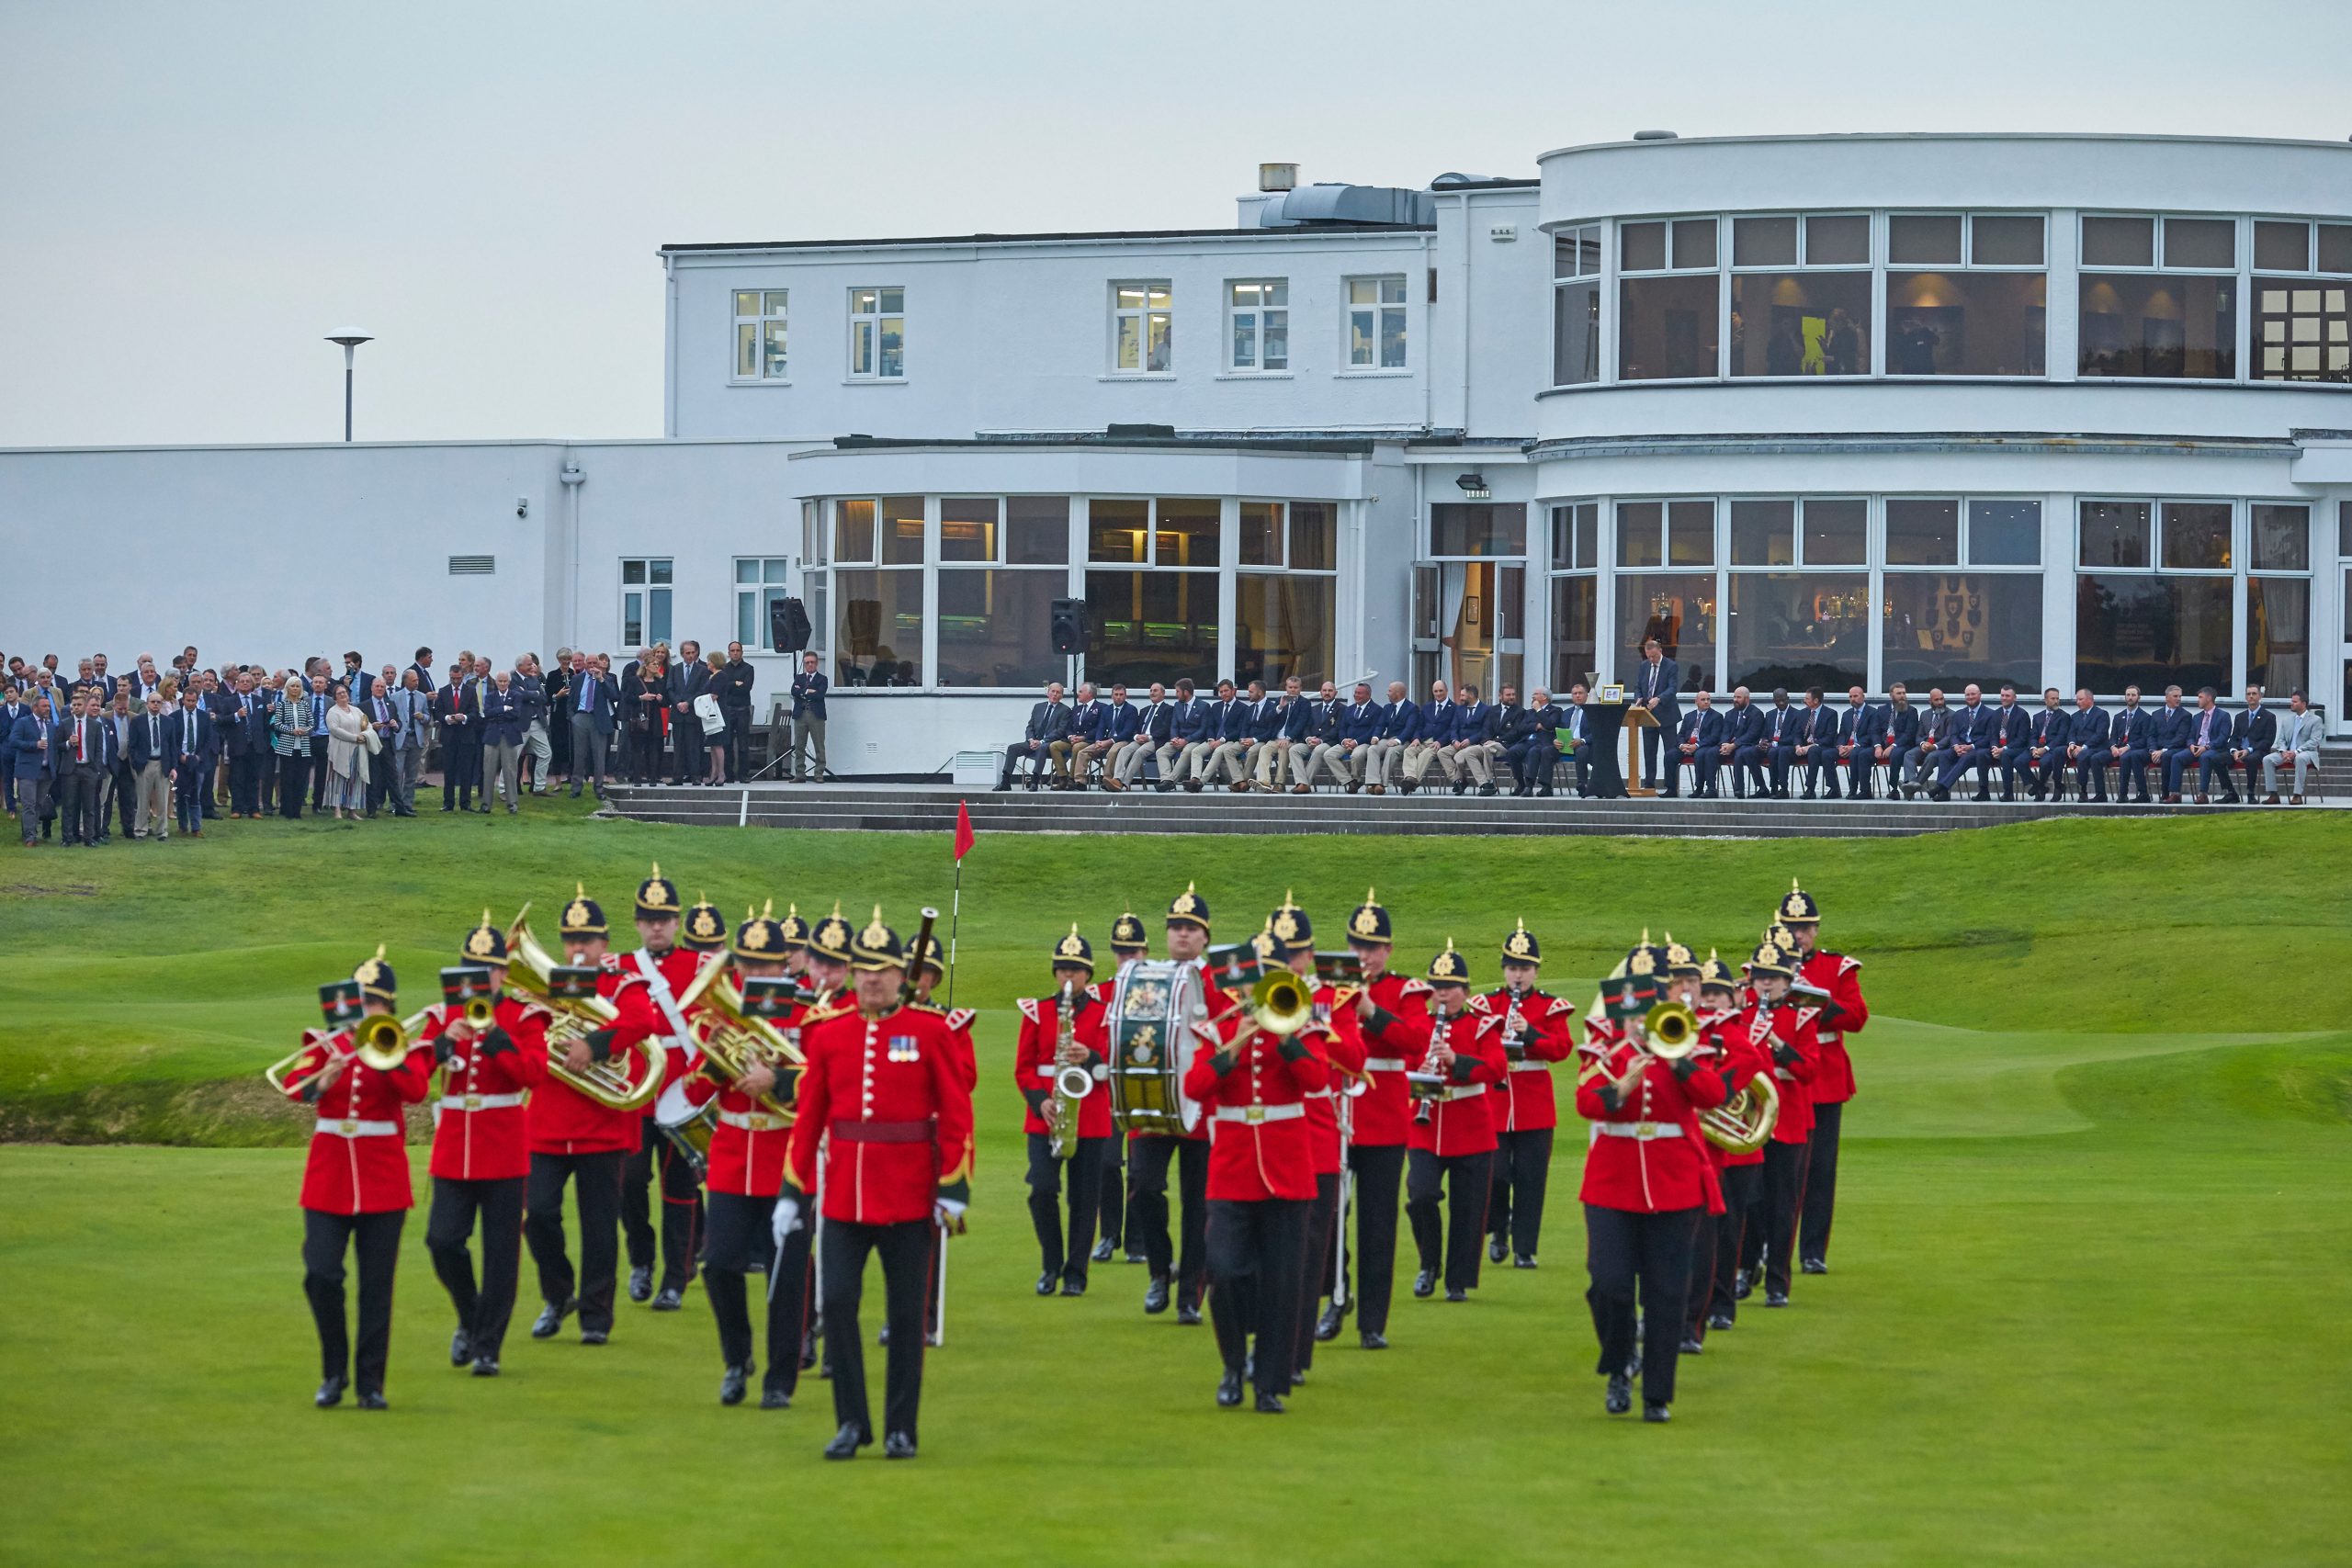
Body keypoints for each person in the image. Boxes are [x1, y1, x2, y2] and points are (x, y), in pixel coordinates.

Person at [778, 908, 974, 1460]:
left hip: (909, 1196)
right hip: (844, 1196)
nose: (870, 978)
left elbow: (956, 1114)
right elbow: (809, 1117)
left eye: (882, 969)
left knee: (907, 1315)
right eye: (861, 968)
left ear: (899, 974)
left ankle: (900, 1427)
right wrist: (794, 1191)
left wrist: (954, 1183)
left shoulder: (931, 1032)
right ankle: (851, 1422)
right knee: (836, 1304)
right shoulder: (828, 1034)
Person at [1576, 938, 1725, 1423]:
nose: (1642, 1014)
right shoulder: (1605, 1049)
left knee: (1666, 1291)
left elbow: (1712, 1093)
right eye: (1634, 1004)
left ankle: (1657, 1394)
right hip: (1612, 1181)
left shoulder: (1688, 1041)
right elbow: (1584, 1101)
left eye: (1650, 1002)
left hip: (1673, 1181)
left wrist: (1675, 1056)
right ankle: (1619, 1367)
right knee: (1609, 1284)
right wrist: (1621, 1086)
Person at [1183, 922, 1330, 1413]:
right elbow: (1196, 1086)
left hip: (1287, 1169)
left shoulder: (1302, 1023)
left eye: (1269, 976)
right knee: (1223, 1271)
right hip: (1232, 1168)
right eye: (1254, 978)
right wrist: (1236, 1046)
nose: (1259, 987)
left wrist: (1285, 1036)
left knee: (1284, 1281)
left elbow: (1315, 1080)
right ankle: (1231, 1363)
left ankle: (1268, 1383)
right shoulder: (1220, 1026)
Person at [282, 953, 435, 1408]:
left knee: (376, 1286)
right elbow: (293, 1086)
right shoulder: (323, 1044)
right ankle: (333, 1373)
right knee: (321, 1274)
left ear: (389, 1008)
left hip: (381, 1178)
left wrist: (386, 1054)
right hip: (328, 1178)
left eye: (376, 1004)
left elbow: (416, 1092)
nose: (366, 1011)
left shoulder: (402, 1048)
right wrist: (320, 1080)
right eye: (361, 1001)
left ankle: (371, 1384)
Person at [686, 905, 818, 1408]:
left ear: (784, 964)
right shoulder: (720, 1015)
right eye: (748, 965)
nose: (757, 974)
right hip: (732, 1156)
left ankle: (780, 1380)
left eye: (766, 964)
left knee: (786, 1277)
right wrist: (717, 1062)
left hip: (786, 1157)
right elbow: (694, 1084)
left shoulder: (807, 1014)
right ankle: (736, 1359)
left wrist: (777, 1079)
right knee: (718, 1265)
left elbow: (825, 1084)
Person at [525, 886, 662, 1346]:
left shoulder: (621, 982)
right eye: (570, 939)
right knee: (539, 1215)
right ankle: (558, 1294)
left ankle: (596, 1317)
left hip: (602, 1125)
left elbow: (643, 1022)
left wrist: (595, 1045)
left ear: (605, 942)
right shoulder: (547, 987)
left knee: (600, 1227)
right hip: (547, 1123)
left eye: (587, 939)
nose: (578, 948)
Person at [422, 919, 551, 1378]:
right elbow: (413, 1080)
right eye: (470, 968)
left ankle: (488, 1346)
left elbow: (533, 1074)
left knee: (501, 1254)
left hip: (503, 1146)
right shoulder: (443, 1015)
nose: (479, 977)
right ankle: (470, 1316)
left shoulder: (524, 1016)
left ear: (503, 974)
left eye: (488, 970)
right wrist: (441, 1044)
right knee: (442, 1240)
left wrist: (497, 1039)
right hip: (455, 1144)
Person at [1327, 888, 1426, 1349]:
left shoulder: (1404, 990)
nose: (1363, 955)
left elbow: (1415, 1042)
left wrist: (1371, 1011)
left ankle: (1372, 1320)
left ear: (1387, 950)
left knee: (1377, 1224)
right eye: (1357, 945)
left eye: (1372, 947)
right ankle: (1334, 1297)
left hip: (1384, 1120)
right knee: (1328, 1218)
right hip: (1338, 1117)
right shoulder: (1328, 989)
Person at [617, 866, 707, 1311]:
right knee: (629, 1182)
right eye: (649, 918)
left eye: (665, 918)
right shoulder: (619, 967)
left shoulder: (701, 966)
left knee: (680, 1189)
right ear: (638, 923)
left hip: (682, 1093)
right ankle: (641, 1260)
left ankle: (675, 1276)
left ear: (676, 922)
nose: (657, 925)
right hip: (635, 1092)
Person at [1127, 886, 1215, 1324]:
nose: (1181, 935)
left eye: (1190, 928)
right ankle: (1160, 1271)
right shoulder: (1146, 975)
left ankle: (1189, 1293)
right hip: (1153, 1103)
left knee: (1198, 1203)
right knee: (1143, 1185)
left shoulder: (1218, 979)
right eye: (1176, 928)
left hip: (1201, 1105)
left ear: (1204, 937)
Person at [1403, 942, 1506, 1303]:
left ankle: (1458, 1280)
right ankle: (1429, 1264)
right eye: (1436, 987)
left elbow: (1496, 1068)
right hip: (1425, 1126)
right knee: (1421, 1194)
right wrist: (1421, 1071)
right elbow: (1401, 1068)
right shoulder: (1419, 1026)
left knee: (1469, 1208)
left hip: (1470, 1126)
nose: (1441, 994)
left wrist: (1455, 1060)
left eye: (1449, 987)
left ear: (1465, 991)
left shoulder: (1482, 1026)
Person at [1775, 881, 1867, 1274]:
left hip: (1825, 1076)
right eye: (1792, 928)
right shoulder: (1763, 967)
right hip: (1782, 1077)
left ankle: (1812, 1251)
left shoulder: (1835, 966)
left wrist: (1817, 1003)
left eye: (1806, 928)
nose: (1799, 936)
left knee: (1820, 1170)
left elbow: (1857, 1016)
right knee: (1777, 1174)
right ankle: (1768, 1250)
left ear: (1816, 929)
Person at [1014, 929, 1113, 1296]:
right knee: (1041, 1189)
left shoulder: (1104, 1015)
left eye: (1076, 969)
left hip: (1088, 1116)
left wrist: (1092, 1058)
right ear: (1055, 973)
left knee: (1084, 1199)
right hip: (1046, 1114)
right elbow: (1023, 1068)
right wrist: (1040, 1101)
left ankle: (1076, 1273)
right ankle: (1050, 1264)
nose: (1069, 976)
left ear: (1088, 974)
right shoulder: (1037, 1011)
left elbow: (1113, 1067)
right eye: (1063, 969)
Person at [1484, 921, 1575, 1269]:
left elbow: (1561, 1048)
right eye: (1512, 968)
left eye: (1524, 969)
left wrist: (1530, 1032)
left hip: (1533, 1105)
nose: (1517, 976)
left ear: (1536, 971)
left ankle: (1524, 1248)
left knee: (1530, 1178)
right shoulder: (1487, 1003)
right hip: (1495, 1101)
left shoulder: (1550, 1007)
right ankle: (1497, 1228)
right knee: (1495, 1174)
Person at [1737, 933, 1820, 1307]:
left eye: (1772, 976)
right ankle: (1745, 1268)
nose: (1765, 983)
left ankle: (1777, 1283)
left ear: (1788, 980)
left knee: (1782, 1205)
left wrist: (1777, 1046)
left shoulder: (1801, 1014)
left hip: (1788, 1119)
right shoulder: (1741, 1013)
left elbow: (1809, 1070)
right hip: (1750, 1120)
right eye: (1759, 976)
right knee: (1749, 1201)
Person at [1690, 951, 1767, 1345]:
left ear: (1733, 997)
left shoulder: (1731, 1029)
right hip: (1695, 1145)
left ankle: (1721, 1306)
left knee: (1728, 1230)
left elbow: (1750, 1060)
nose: (1712, 1000)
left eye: (1719, 994)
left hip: (1734, 1149)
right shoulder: (1689, 1026)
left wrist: (1719, 1090)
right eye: (1707, 993)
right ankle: (1696, 1307)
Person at [1088, 912, 1150, 1260]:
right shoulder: (1101, 993)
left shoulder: (1155, 990)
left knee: (1141, 1168)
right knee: (1107, 1163)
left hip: (1144, 1089)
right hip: (1109, 1089)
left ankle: (1138, 1241)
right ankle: (1109, 1234)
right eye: (1121, 952)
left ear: (1144, 952)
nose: (1127, 958)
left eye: (1133, 951)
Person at [59, 689, 117, 845]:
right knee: (69, 806)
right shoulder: (65, 724)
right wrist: (67, 743)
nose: (76, 707)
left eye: (79, 704)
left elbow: (98, 749)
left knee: (90, 806)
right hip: (71, 769)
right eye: (74, 705)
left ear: (85, 706)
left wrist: (96, 768)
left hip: (88, 768)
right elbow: (56, 746)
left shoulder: (94, 725)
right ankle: (67, 838)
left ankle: (89, 838)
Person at [996, 680, 1070, 791]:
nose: (1055, 694)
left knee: (1041, 748)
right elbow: (1030, 726)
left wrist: (1041, 741)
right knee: (1012, 748)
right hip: (1032, 742)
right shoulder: (1038, 707)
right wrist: (1031, 739)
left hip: (1049, 744)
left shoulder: (1065, 710)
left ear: (1062, 696)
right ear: (1048, 693)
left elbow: (1060, 731)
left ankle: (1034, 781)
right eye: (1053, 691)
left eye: (1058, 692)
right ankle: (1006, 781)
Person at [1632, 637, 1681, 795]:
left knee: (1670, 752)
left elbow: (1672, 688)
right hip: (1647, 715)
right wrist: (1638, 698)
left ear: (1660, 651)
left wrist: (1659, 699)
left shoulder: (1671, 666)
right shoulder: (1644, 666)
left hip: (1666, 715)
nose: (1651, 660)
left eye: (1654, 656)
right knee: (1649, 751)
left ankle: (1671, 786)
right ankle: (1649, 783)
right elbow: (1638, 686)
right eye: (1649, 657)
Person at [567, 651, 617, 798]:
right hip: (581, 718)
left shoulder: (607, 679)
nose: (592, 666)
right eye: (589, 663)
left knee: (599, 756)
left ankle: (599, 788)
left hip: (599, 720)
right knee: (579, 755)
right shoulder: (577, 679)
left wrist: (601, 679)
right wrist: (573, 718)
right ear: (585, 665)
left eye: (595, 663)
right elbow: (571, 701)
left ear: (599, 664)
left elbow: (614, 696)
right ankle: (576, 788)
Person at [127, 690, 175, 839]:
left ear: (162, 704)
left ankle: (162, 831)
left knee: (162, 801)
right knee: (142, 801)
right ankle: (140, 830)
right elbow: (132, 746)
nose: (155, 705)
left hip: (162, 764)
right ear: (147, 703)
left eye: (158, 702)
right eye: (153, 702)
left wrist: (173, 767)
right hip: (145, 764)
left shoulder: (169, 722)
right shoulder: (137, 721)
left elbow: (172, 746)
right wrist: (136, 763)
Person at [435, 664, 481, 813]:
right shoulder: (443, 691)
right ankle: (448, 803)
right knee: (449, 771)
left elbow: (475, 712)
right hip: (449, 737)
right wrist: (448, 718)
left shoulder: (470, 691)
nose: (455, 681)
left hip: (466, 736)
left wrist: (465, 717)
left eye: (458, 678)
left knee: (466, 771)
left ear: (463, 676)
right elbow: (438, 713)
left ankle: (465, 803)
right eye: (453, 678)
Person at [1110, 682, 1174, 791]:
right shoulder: (1144, 710)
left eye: (1155, 690)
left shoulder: (1168, 709)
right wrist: (1136, 736)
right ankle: (1117, 779)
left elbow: (1165, 729)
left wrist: (1149, 737)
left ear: (1163, 694)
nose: (1152, 693)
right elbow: (1135, 727)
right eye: (1151, 691)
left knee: (1139, 752)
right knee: (1124, 750)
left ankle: (1125, 783)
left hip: (1155, 740)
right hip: (1139, 739)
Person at [2264, 691, 2323, 804]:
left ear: (2304, 704)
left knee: (2300, 758)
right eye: (2292, 701)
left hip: (2307, 753)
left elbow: (2314, 741)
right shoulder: (2287, 720)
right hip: (2287, 753)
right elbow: (2281, 740)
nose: (2291, 703)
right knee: (2267, 759)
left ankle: (2297, 795)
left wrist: (2296, 752)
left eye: (2294, 701)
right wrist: (2283, 751)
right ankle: (2273, 794)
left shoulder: (2315, 720)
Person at [665, 639, 711, 785]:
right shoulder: (675, 669)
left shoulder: (702, 670)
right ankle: (677, 776)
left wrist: (688, 703)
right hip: (678, 713)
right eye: (687, 653)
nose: (690, 656)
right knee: (678, 746)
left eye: (693, 653)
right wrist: (678, 703)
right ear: (682, 654)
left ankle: (695, 775)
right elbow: (670, 688)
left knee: (694, 746)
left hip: (693, 713)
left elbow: (703, 690)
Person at [171, 686, 214, 839]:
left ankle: (196, 827)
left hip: (197, 761)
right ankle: (182, 826)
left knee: (195, 794)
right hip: (180, 761)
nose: (190, 704)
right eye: (188, 701)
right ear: (183, 700)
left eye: (193, 701)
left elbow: (209, 740)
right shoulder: (174, 717)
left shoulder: (204, 717)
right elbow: (171, 741)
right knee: (181, 794)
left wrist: (199, 757)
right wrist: (180, 756)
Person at [11, 694, 54, 846]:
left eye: (48, 706)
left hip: (46, 771)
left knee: (38, 805)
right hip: (27, 770)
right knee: (29, 804)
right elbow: (14, 741)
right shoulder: (23, 723)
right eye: (44, 706)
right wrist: (34, 745)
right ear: (35, 707)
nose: (47, 708)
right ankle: (30, 837)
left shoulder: (50, 725)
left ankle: (30, 832)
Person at [324, 683, 371, 820]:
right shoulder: (333, 712)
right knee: (338, 780)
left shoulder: (356, 710)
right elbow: (335, 730)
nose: (343, 695)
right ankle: (337, 810)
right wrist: (354, 738)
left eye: (344, 692)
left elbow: (367, 724)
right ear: (335, 697)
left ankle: (352, 810)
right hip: (340, 750)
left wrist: (366, 735)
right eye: (339, 693)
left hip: (357, 750)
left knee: (355, 779)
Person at [480, 670, 524, 814]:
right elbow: (487, 713)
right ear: (496, 682)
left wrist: (497, 714)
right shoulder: (490, 696)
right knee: (488, 772)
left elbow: (516, 713)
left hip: (509, 737)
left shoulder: (516, 695)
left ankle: (513, 805)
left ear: (509, 682)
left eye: (505, 681)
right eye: (500, 681)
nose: (503, 684)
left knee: (510, 771)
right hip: (492, 737)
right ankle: (486, 805)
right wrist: (504, 709)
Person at [2225, 685, 2275, 806]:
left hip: (2258, 750)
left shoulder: (2269, 717)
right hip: (2239, 750)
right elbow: (2234, 737)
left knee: (2251, 759)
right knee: (2216, 759)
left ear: (2260, 696)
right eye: (2248, 694)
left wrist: (2249, 750)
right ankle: (2231, 792)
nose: (2251, 696)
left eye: (2254, 693)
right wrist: (2233, 750)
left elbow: (2268, 740)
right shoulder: (2240, 717)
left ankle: (2250, 793)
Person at [2147, 684, 2197, 804]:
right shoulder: (2156, 714)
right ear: (2167, 698)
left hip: (2176, 748)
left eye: (2180, 696)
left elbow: (2181, 737)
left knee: (2167, 756)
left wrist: (2163, 750)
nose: (2178, 699)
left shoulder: (2185, 715)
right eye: (2175, 696)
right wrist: (2153, 750)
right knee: (2135, 756)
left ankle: (2166, 794)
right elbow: (2151, 735)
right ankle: (2143, 793)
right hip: (2157, 749)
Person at [715, 641, 756, 784]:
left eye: (738, 650)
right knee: (727, 744)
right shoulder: (724, 669)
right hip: (727, 710)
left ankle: (743, 774)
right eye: (732, 650)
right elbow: (723, 687)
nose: (735, 653)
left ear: (742, 652)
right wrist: (735, 683)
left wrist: (732, 685)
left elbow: (746, 688)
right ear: (728, 653)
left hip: (742, 710)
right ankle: (728, 775)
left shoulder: (748, 668)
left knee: (743, 744)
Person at [2063, 688, 2112, 802]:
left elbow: (2100, 735)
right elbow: (2071, 733)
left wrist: (2084, 747)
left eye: (2080, 699)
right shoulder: (2075, 716)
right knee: (2059, 752)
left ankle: (2083, 790)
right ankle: (2058, 788)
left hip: (2097, 748)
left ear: (2090, 700)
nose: (2077, 702)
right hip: (2078, 747)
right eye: (2077, 700)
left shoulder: (2102, 714)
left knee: (2084, 756)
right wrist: (2071, 744)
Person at [786, 651, 829, 784]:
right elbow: (794, 691)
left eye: (812, 662)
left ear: (817, 663)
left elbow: (820, 695)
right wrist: (808, 691)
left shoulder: (822, 679)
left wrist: (803, 693)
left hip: (816, 715)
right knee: (799, 745)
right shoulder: (799, 678)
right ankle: (800, 773)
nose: (810, 665)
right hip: (801, 714)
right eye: (807, 663)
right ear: (804, 664)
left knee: (819, 746)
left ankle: (819, 773)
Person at [1674, 690, 1725, 798]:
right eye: (1703, 700)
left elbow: (1714, 737)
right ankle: (1671, 789)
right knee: (1670, 755)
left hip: (1704, 746)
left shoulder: (1716, 716)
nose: (1706, 702)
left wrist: (1696, 746)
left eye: (1708, 699)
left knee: (1700, 754)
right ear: (1696, 701)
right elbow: (1681, 734)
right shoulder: (1689, 716)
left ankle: (1700, 788)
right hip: (1687, 746)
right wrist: (1682, 745)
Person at [2023, 686, 2071, 801]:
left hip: (2052, 748)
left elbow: (2061, 737)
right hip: (2037, 747)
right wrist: (2034, 748)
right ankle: (2039, 786)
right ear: (2045, 700)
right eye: (2053, 698)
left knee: (2044, 763)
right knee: (2019, 761)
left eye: (2057, 698)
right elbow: (2033, 735)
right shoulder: (2037, 717)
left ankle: (2040, 788)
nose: (2056, 701)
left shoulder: (2064, 716)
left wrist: (2045, 749)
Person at [694, 652, 729, 784]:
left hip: (718, 714)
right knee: (713, 745)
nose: (707, 663)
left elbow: (715, 695)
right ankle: (713, 772)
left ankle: (721, 773)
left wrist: (698, 701)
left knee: (718, 744)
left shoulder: (720, 676)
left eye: (709, 661)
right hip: (711, 714)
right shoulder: (712, 676)